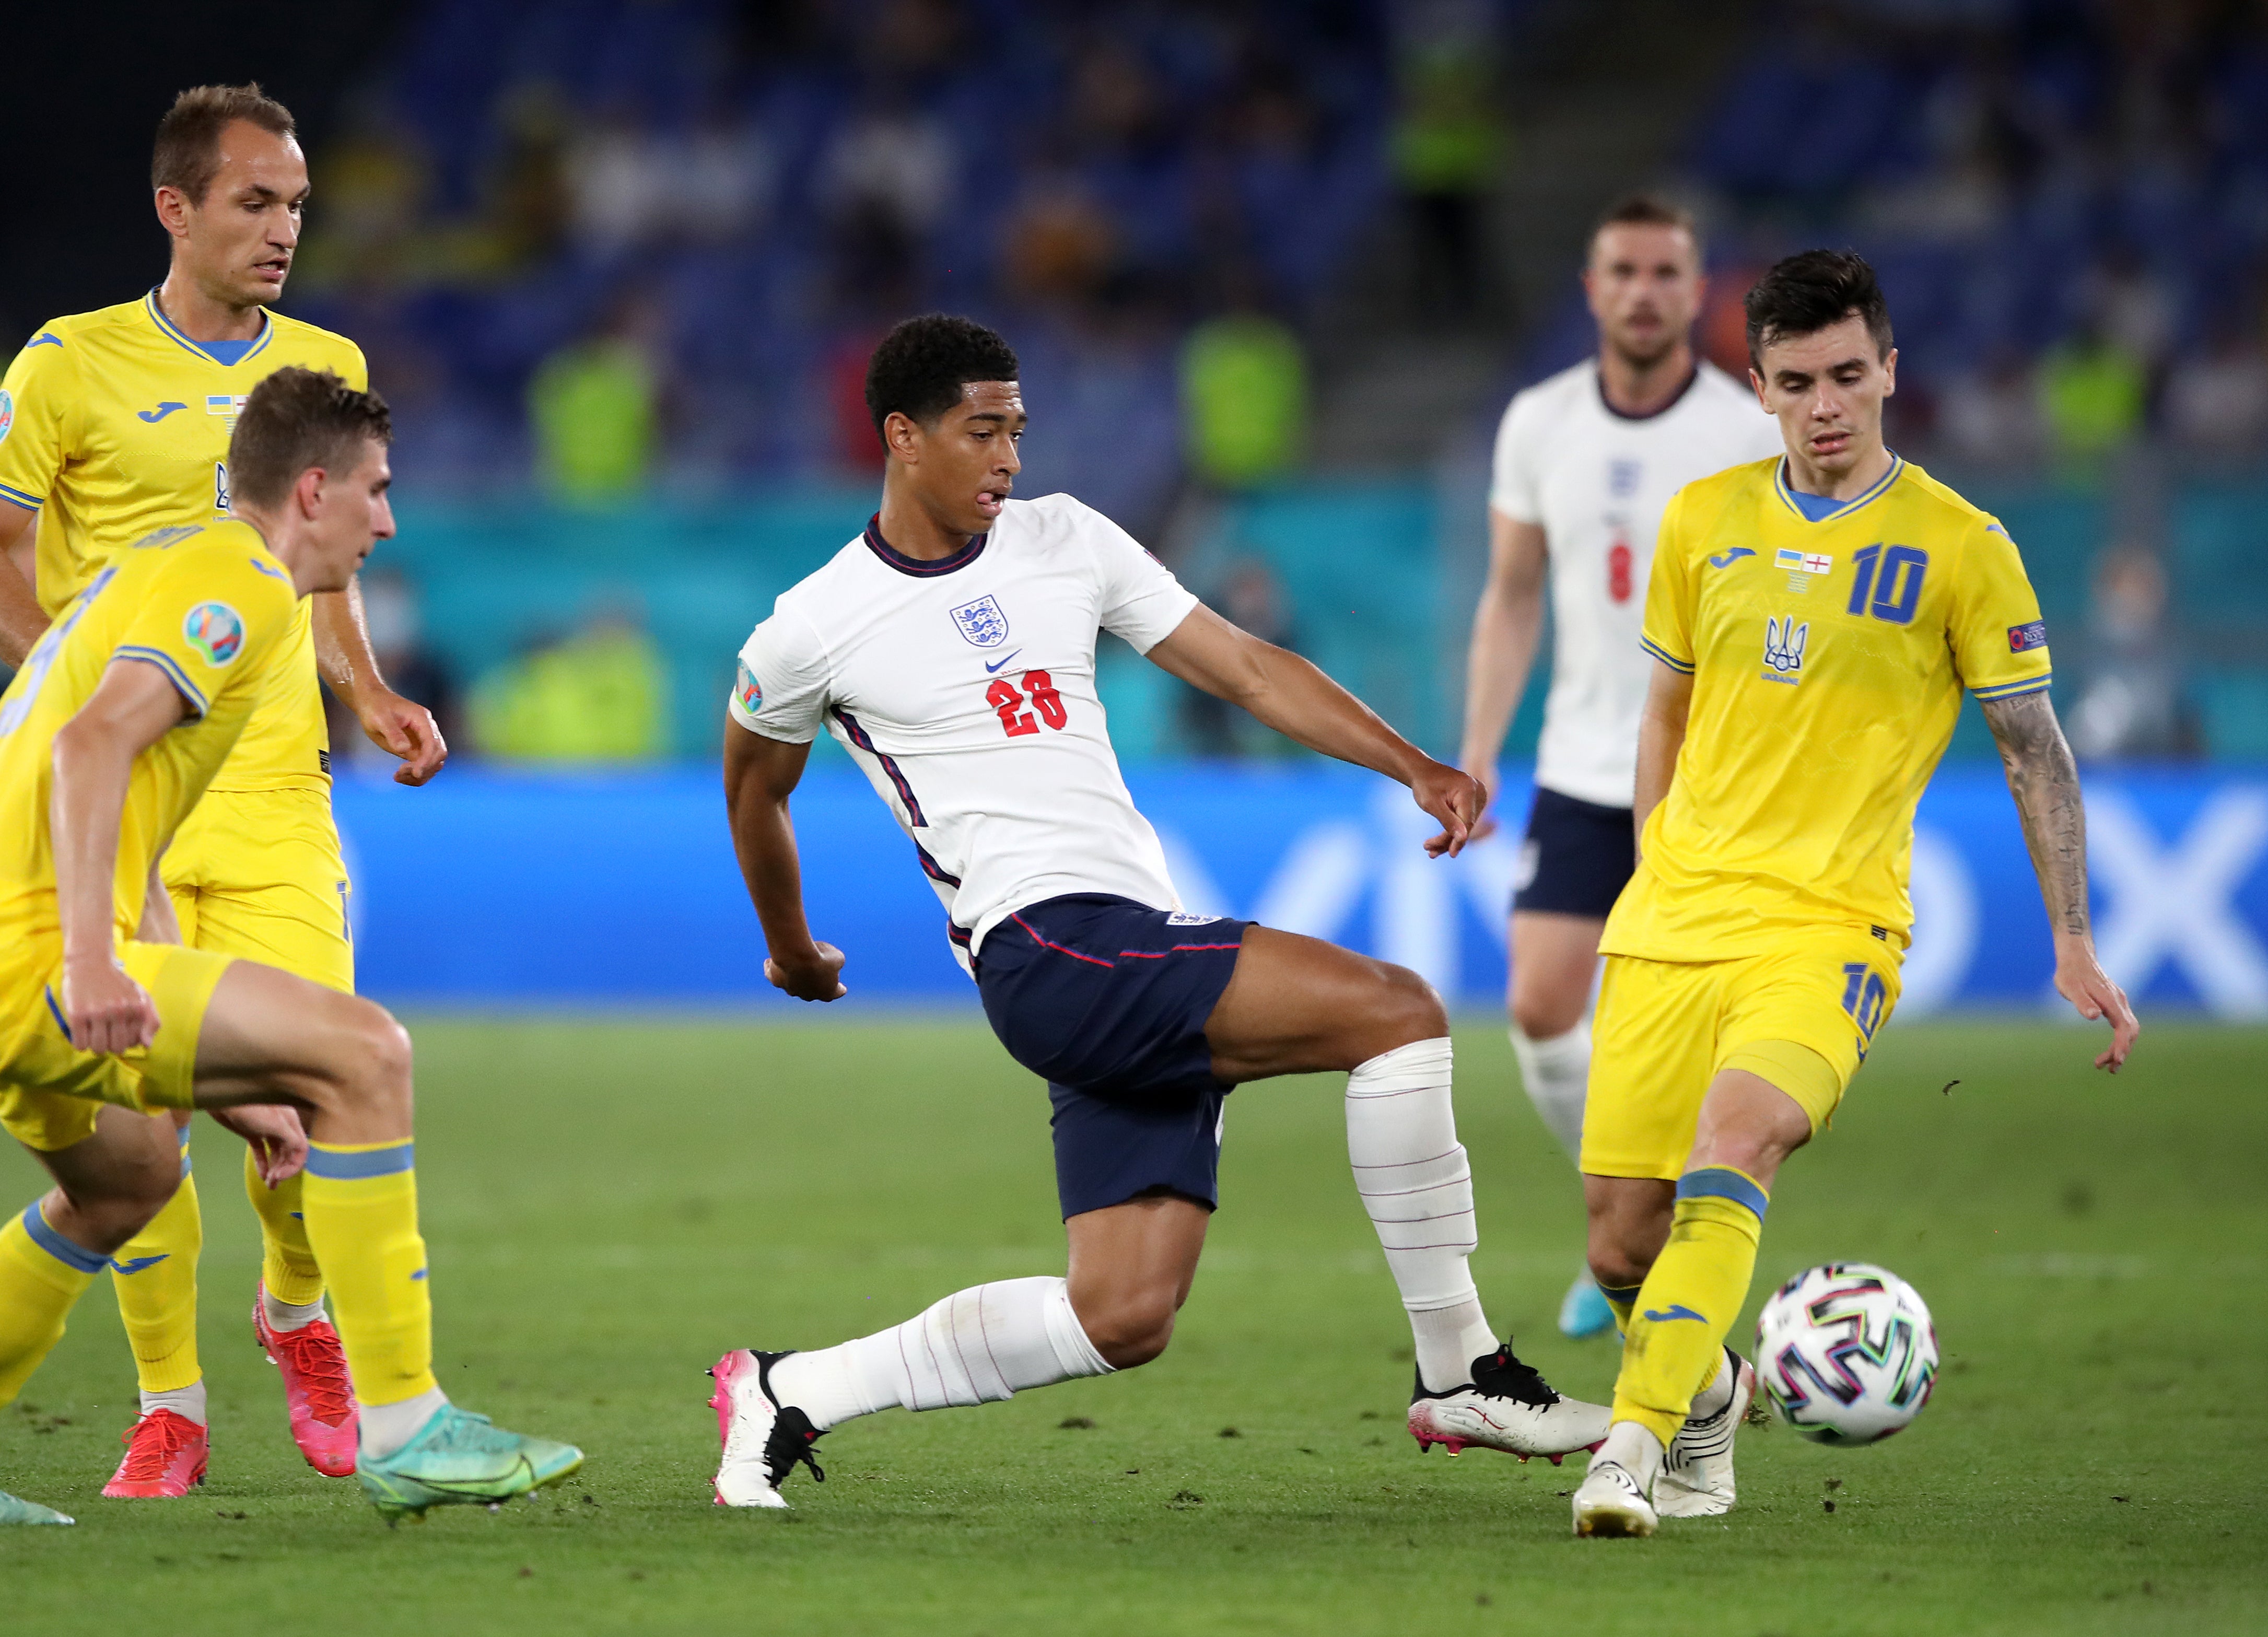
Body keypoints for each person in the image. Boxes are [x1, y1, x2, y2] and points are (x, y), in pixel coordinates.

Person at [708, 314, 1610, 1509]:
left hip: (1119, 936)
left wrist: (1411, 765)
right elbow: (751, 791)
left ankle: (790, 1389)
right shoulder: (812, 624)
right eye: (982, 431)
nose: (1008, 457)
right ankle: (1461, 1368)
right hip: (1046, 946)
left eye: (1016, 430)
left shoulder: (1064, 539)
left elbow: (1240, 665)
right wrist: (789, 948)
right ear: (902, 437)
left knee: (1122, 1313)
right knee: (1396, 1013)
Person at [0, 368, 581, 1528]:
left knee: (124, 1184)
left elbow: (124, 800)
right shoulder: (236, 589)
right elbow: (90, 750)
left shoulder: (174, 564)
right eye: (378, 493)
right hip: (23, 952)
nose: (389, 522)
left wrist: (227, 1074)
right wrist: (92, 963)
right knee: (366, 1053)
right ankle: (404, 1421)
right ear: (315, 488)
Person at [1566, 251, 2137, 1537]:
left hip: (1830, 927)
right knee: (1616, 1243)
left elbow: (2029, 746)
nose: (1824, 405)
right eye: (1794, 383)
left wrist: (2072, 937)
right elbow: (1666, 705)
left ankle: (1629, 1447)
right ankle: (1703, 1387)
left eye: (1845, 376)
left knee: (1737, 1141)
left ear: (1889, 370)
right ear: (1757, 387)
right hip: (1672, 918)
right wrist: (1656, 853)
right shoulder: (1702, 520)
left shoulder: (1961, 548)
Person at [0, 84, 447, 1497]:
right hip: (122, 805)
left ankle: (298, 1308)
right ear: (176, 209)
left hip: (274, 792)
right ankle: (169, 1401)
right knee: (140, 1136)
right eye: (253, 203)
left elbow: (322, 560)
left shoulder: (321, 361)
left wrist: (365, 687)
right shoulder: (71, 362)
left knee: (312, 1090)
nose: (283, 230)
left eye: (294, 207)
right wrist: (86, 696)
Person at [1459, 194, 1780, 1339]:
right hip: (1581, 764)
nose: (1642, 291)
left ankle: (1648, 1241)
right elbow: (1508, 598)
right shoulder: (1538, 422)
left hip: (1710, 780)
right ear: (1591, 290)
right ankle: (1618, 1210)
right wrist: (1479, 751)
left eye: (1664, 273)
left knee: (1694, 1030)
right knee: (1541, 1004)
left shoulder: (1748, 430)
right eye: (1622, 271)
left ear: (1696, 295)